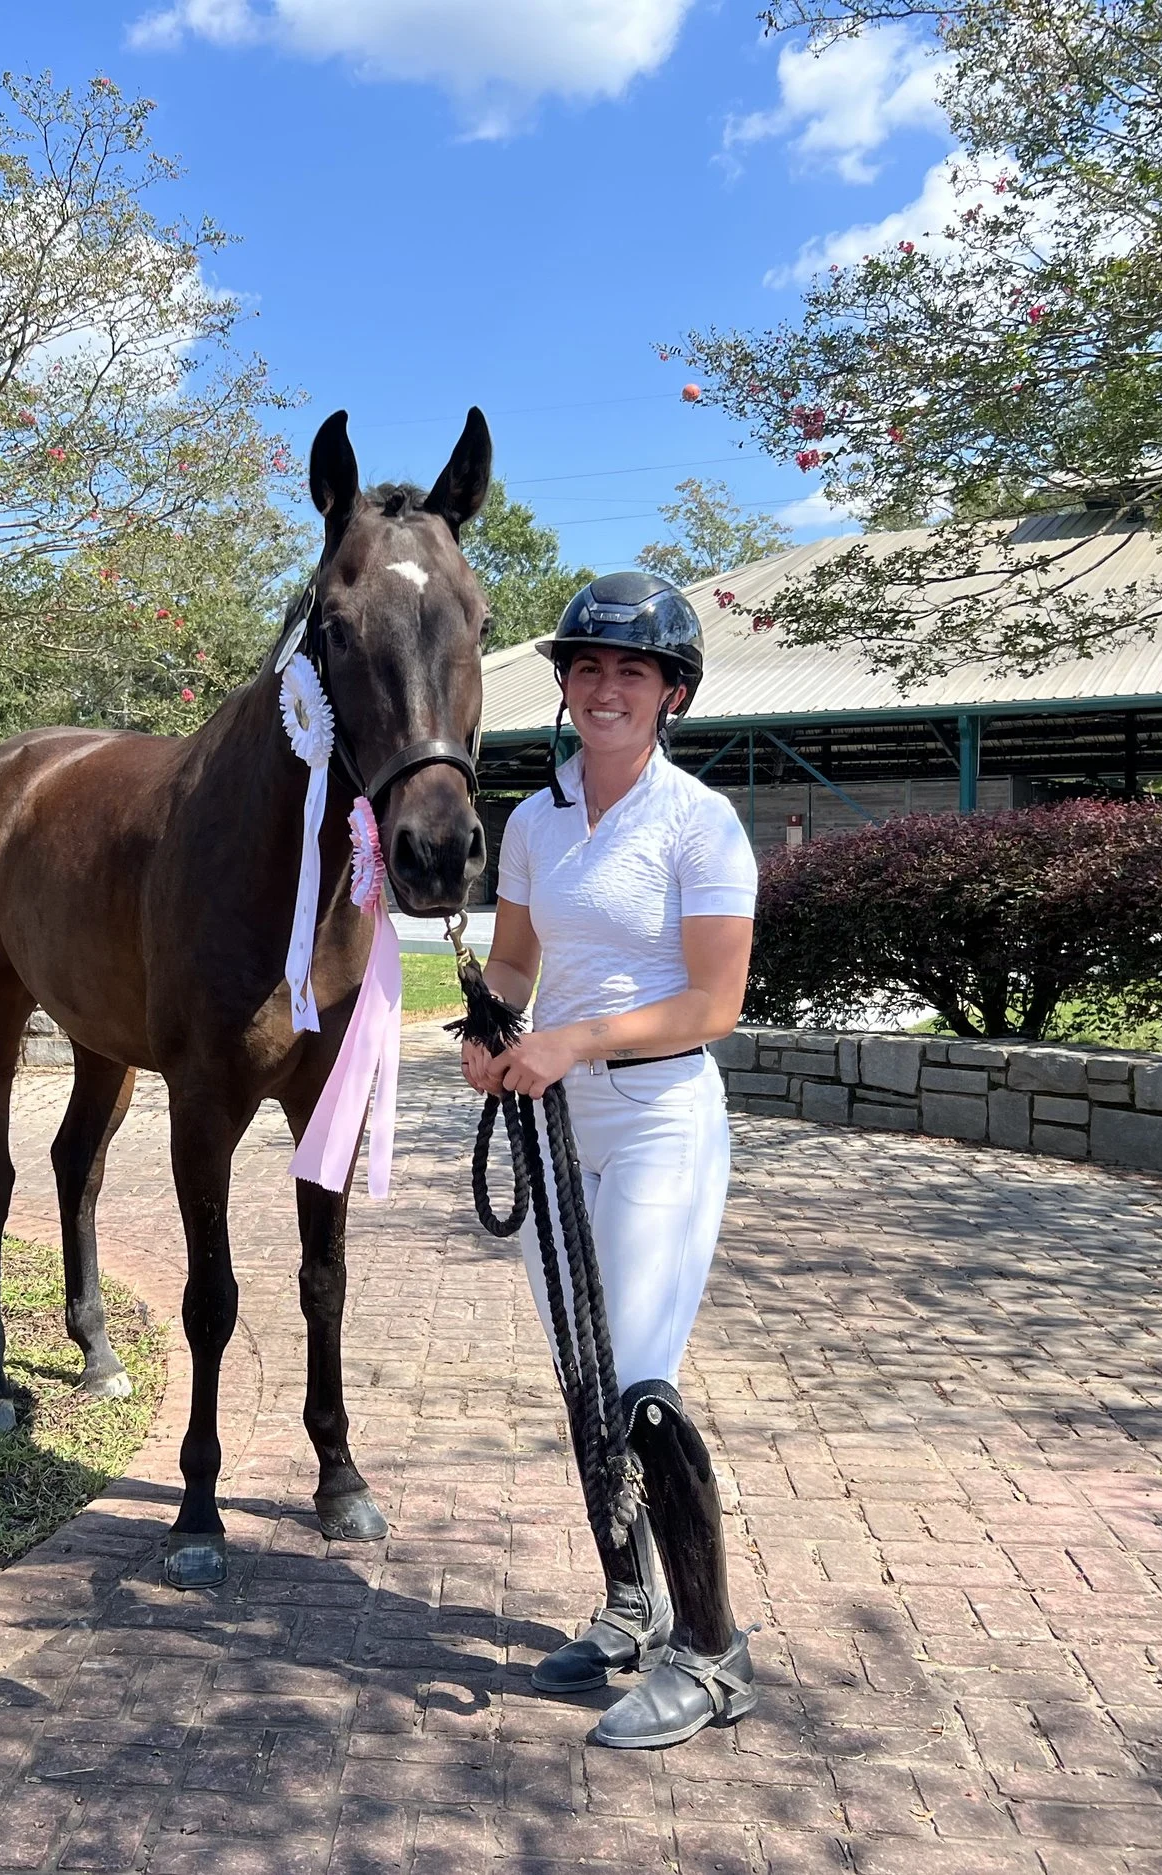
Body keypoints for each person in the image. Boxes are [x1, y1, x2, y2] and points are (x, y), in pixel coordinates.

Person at [460, 570, 759, 1751]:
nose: (605, 689)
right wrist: (493, 1033)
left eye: (631, 671)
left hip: (657, 1118)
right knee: (585, 1380)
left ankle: (712, 1650)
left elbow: (714, 1001)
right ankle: (629, 1603)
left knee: (638, 1376)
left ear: (672, 693)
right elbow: (519, 970)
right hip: (555, 1124)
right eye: (586, 668)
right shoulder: (533, 822)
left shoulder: (699, 823)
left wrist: (578, 1038)